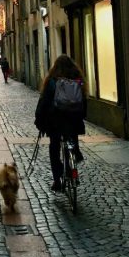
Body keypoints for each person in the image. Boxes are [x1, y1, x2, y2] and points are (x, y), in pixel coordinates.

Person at [34, 54, 87, 192]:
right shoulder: (77, 79)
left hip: (56, 122)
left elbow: (44, 102)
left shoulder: (52, 80)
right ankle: (73, 162)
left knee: (54, 148)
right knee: (72, 139)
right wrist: (81, 116)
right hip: (73, 121)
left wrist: (39, 120)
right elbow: (83, 101)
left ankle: (57, 179)